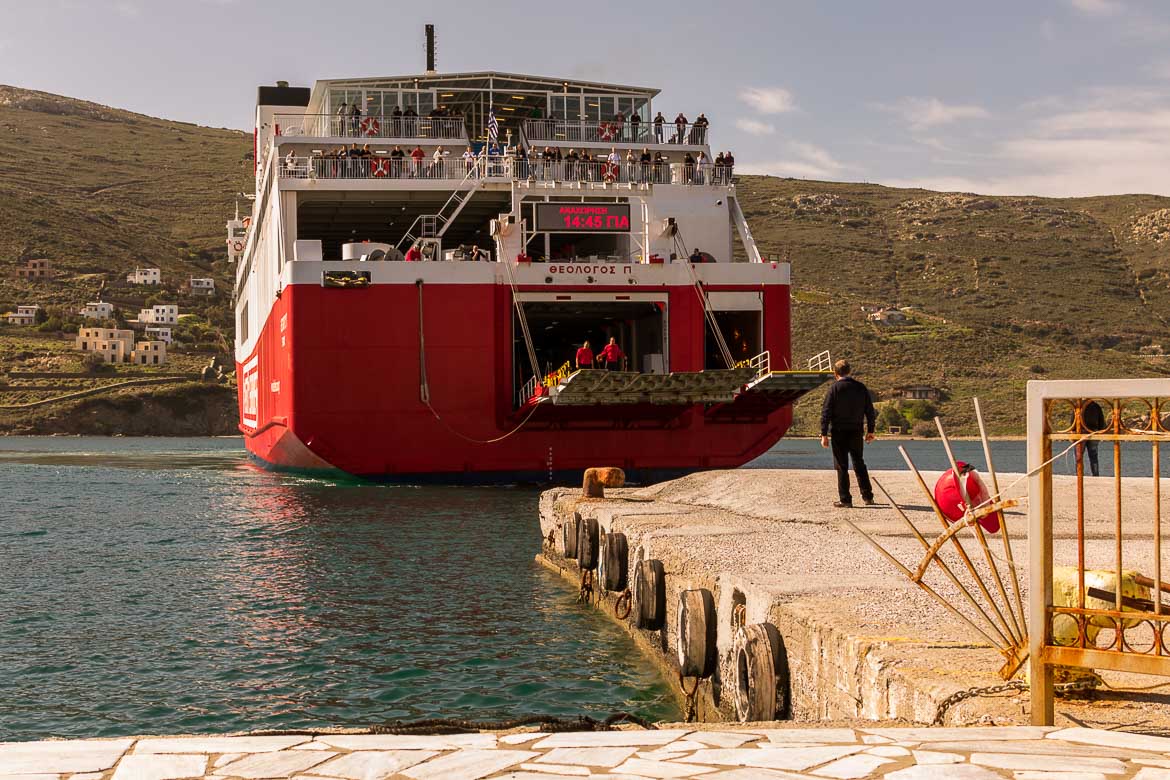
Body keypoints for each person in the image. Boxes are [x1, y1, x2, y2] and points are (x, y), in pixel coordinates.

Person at [820, 360, 876, 508]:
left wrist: (823, 434)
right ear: (849, 371)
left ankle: (845, 499)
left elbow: (826, 413)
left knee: (841, 465)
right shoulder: (861, 388)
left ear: (835, 373)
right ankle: (868, 497)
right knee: (859, 463)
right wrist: (871, 430)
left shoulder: (834, 389)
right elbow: (870, 411)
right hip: (856, 431)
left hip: (839, 432)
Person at [1078, 400, 1106, 477]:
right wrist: (1100, 431)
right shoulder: (1096, 406)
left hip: (1081, 432)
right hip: (1093, 431)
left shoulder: (1079, 405)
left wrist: (1073, 430)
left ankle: (1079, 475)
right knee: (1093, 456)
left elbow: (1073, 419)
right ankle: (1095, 474)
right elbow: (1102, 421)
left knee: (1078, 456)